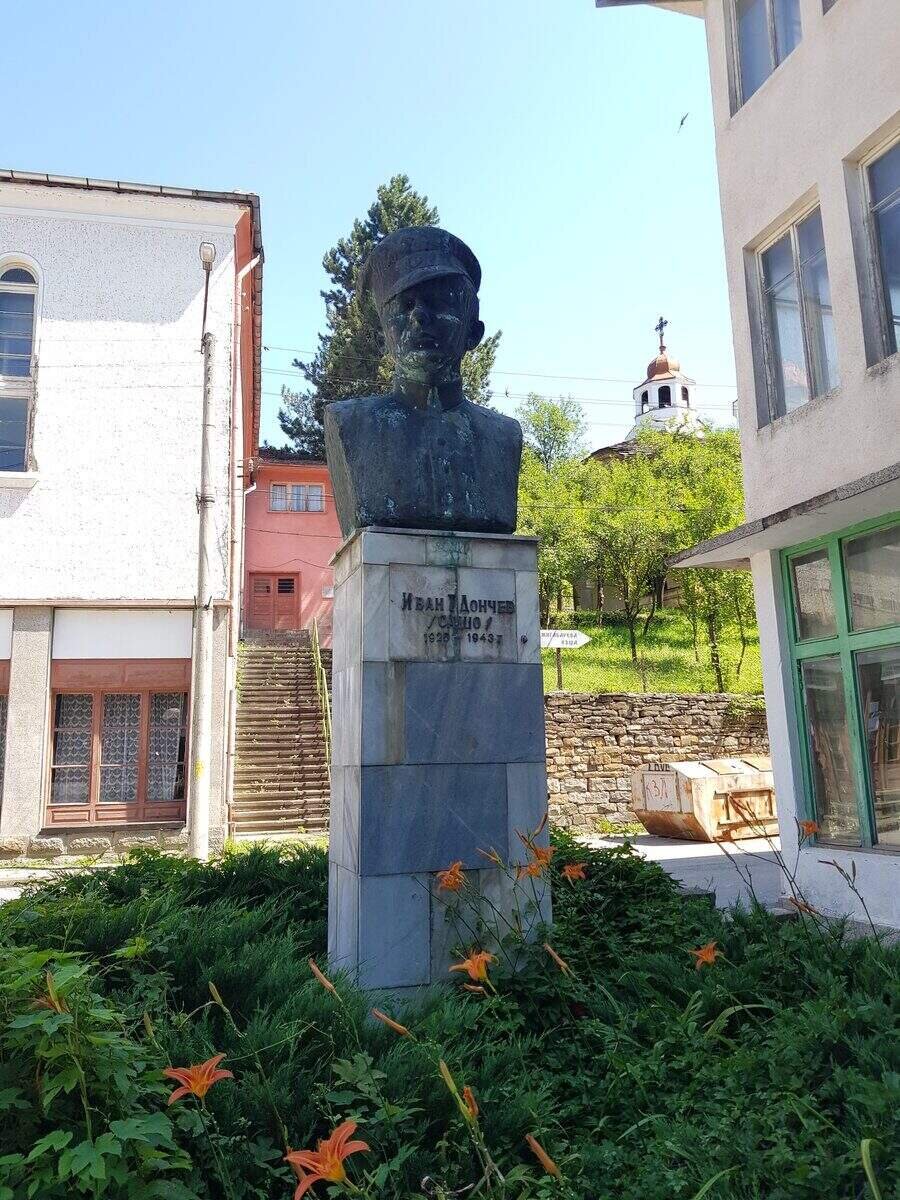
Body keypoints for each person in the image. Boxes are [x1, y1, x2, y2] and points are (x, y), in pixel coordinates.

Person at [324, 226, 522, 536]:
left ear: (474, 334)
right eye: (404, 306)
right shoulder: (350, 424)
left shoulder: (503, 436)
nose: (419, 317)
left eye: (439, 302)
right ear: (382, 338)